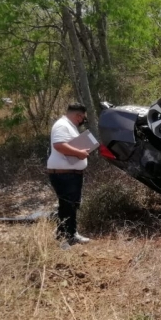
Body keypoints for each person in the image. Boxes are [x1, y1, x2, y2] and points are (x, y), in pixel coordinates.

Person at [47, 103, 92, 248]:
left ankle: (67, 234)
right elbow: (59, 145)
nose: (81, 121)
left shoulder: (69, 126)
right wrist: (79, 153)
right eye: (82, 118)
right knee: (68, 205)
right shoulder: (62, 125)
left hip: (70, 174)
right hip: (64, 174)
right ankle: (67, 238)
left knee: (70, 205)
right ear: (78, 115)